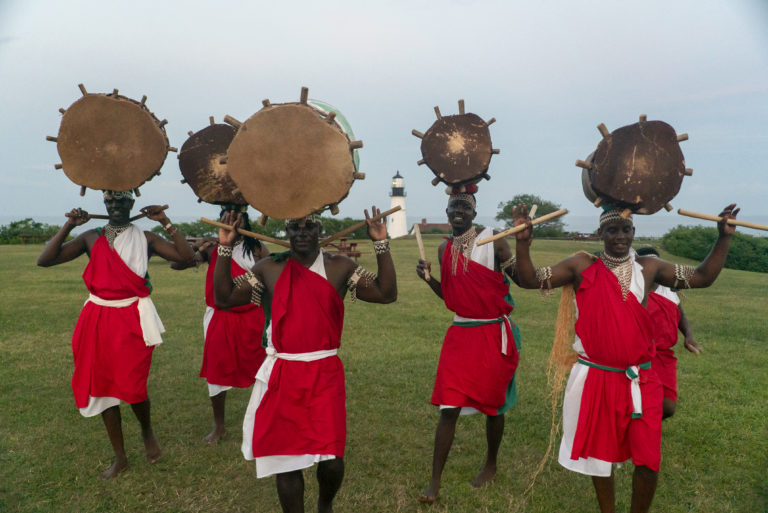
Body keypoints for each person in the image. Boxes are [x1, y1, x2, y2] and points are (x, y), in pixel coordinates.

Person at [512, 203, 738, 513]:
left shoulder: (650, 267)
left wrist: (723, 238)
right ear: (600, 233)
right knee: (599, 459)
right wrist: (523, 243)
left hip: (640, 378)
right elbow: (529, 279)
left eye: (626, 230)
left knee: (648, 459)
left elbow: (702, 277)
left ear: (634, 232)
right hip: (597, 377)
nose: (620, 236)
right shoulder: (581, 265)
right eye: (612, 230)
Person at [213, 207, 396, 513]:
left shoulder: (339, 267)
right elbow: (224, 298)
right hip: (283, 371)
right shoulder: (268, 268)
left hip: (325, 371)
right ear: (286, 232)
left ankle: (325, 504)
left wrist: (381, 243)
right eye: (294, 227)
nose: (301, 232)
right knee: (286, 460)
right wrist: (224, 248)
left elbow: (385, 293)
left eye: (308, 226)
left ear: (319, 229)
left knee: (333, 459)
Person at [37, 190, 196, 479]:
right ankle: (120, 457)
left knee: (133, 384)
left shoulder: (146, 238)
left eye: (122, 201)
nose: (116, 205)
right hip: (96, 318)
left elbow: (187, 258)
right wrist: (68, 226)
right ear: (104, 204)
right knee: (102, 387)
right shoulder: (90, 237)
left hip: (131, 318)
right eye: (110, 201)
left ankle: (147, 430)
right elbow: (45, 260)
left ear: (131, 204)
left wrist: (166, 222)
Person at [415, 185, 521, 504]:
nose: (458, 211)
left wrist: (524, 248)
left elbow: (522, 278)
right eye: (453, 207)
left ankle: (491, 462)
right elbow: (451, 298)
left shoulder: (494, 242)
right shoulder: (443, 249)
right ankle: (434, 482)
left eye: (465, 207)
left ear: (474, 213)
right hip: (460, 335)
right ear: (447, 213)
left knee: (493, 405)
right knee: (449, 407)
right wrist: (429, 280)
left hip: (492, 334)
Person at [171, 206, 269, 443]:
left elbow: (271, 277)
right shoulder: (212, 248)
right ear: (220, 221)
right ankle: (219, 426)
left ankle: (264, 420)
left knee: (263, 368)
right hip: (219, 317)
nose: (233, 222)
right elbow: (178, 265)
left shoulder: (256, 248)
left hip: (252, 316)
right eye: (228, 218)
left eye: (239, 218)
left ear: (246, 223)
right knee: (217, 371)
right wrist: (193, 248)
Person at [635, 247, 702, 420]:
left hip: (664, 356)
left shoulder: (669, 290)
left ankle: (646, 426)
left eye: (658, 265)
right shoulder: (632, 289)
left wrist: (688, 336)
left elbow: (680, 315)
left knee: (668, 406)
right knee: (636, 399)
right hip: (638, 355)